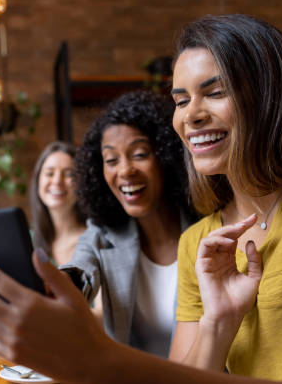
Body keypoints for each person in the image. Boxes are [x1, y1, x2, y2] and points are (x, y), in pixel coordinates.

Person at [0, 14, 282, 384]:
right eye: (181, 100)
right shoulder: (201, 244)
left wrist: (96, 358)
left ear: (272, 96)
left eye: (215, 92)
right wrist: (218, 322)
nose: (191, 116)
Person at [60, 90, 195, 356]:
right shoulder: (104, 233)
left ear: (166, 156)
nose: (125, 170)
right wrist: (59, 282)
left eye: (140, 154)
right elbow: (80, 270)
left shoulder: (204, 229)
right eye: (111, 160)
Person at [30, 141, 86, 266]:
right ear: (38, 181)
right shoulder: (27, 241)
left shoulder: (97, 240)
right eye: (49, 173)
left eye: (68, 174)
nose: (57, 181)